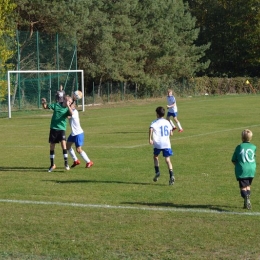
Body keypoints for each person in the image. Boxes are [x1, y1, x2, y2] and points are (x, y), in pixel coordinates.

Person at [41, 95, 73, 172]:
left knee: (63, 145)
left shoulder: (67, 109)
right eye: (69, 101)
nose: (70, 103)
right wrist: (43, 103)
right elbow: (45, 107)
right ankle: (52, 165)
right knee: (52, 146)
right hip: (53, 129)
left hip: (61, 129)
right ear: (65, 100)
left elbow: (71, 114)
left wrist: (69, 106)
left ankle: (66, 163)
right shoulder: (57, 105)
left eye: (71, 102)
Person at [149, 106, 175, 185]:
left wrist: (150, 139)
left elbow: (151, 129)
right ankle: (171, 175)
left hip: (158, 143)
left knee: (155, 156)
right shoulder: (167, 122)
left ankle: (157, 172)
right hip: (166, 143)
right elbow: (171, 133)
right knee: (168, 160)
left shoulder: (154, 122)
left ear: (157, 114)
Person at [231, 129, 256, 210]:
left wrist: (238, 166)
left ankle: (246, 197)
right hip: (252, 169)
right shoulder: (254, 147)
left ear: (242, 138)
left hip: (242, 170)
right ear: (250, 138)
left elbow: (233, 160)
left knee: (243, 187)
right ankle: (246, 201)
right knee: (247, 186)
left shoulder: (239, 147)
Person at [67, 101, 94, 168]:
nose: (70, 106)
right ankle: (76, 160)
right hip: (73, 133)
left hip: (78, 133)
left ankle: (89, 162)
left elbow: (70, 115)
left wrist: (67, 106)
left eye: (71, 105)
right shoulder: (70, 111)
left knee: (78, 150)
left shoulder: (75, 112)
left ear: (74, 106)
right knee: (67, 146)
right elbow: (67, 115)